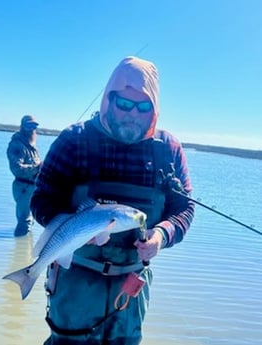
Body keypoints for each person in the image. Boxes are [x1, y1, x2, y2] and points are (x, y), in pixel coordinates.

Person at [31, 56, 195, 345]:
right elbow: (42, 199)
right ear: (109, 99)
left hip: (130, 287)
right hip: (76, 280)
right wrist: (75, 230)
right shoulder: (74, 140)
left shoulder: (168, 149)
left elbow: (184, 209)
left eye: (143, 106)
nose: (133, 113)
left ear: (154, 109)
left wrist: (161, 236)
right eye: (124, 104)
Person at [7, 115, 42, 237]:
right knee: (24, 222)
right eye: (29, 125)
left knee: (31, 220)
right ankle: (20, 252)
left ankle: (27, 252)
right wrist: (38, 167)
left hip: (33, 187)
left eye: (34, 125)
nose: (32, 128)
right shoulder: (16, 145)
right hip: (23, 188)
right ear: (22, 126)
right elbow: (17, 169)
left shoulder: (32, 145)